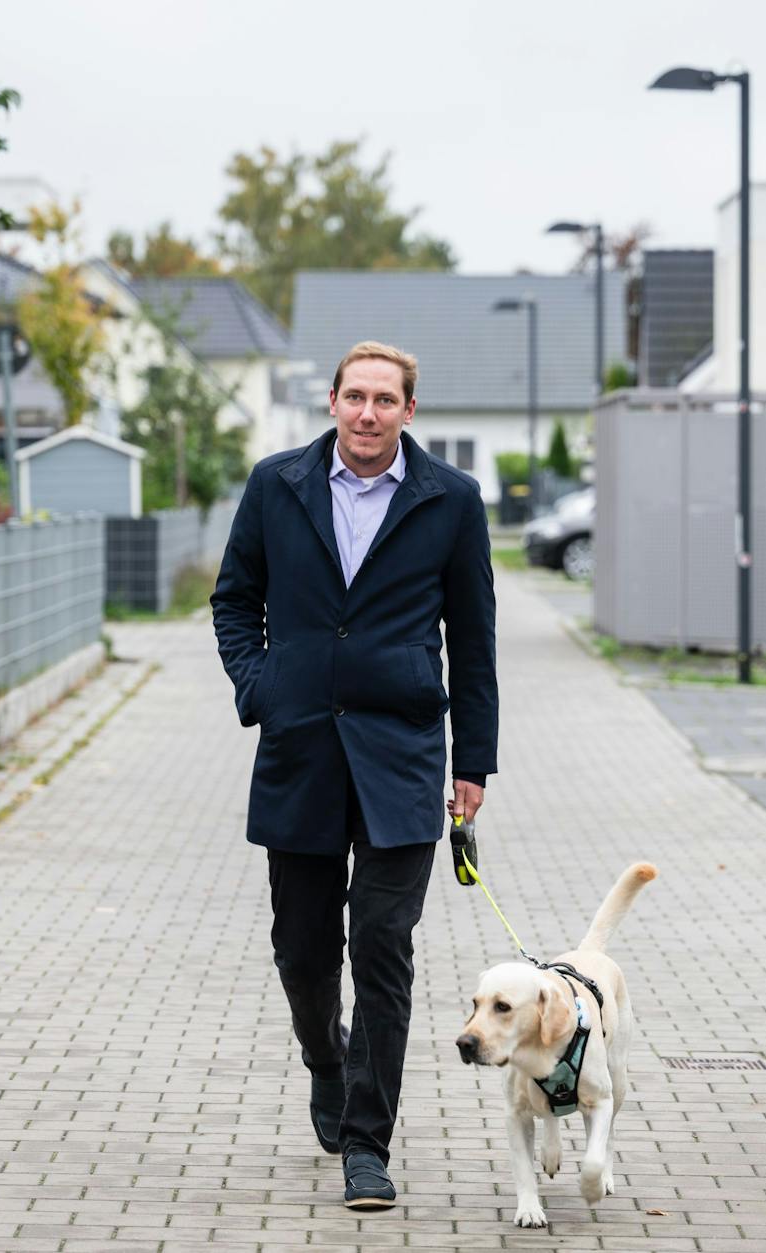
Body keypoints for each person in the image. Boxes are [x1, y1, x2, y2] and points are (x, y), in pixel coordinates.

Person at [210, 340, 499, 1210]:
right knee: (302, 948)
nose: (368, 413)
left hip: (401, 753)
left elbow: (475, 638)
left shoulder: (451, 500)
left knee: (382, 950)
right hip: (298, 746)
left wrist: (472, 762)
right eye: (355, 397)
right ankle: (325, 1060)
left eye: (386, 399)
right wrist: (262, 685)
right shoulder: (277, 484)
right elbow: (234, 598)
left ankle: (367, 1144)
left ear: (410, 411)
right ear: (331, 401)